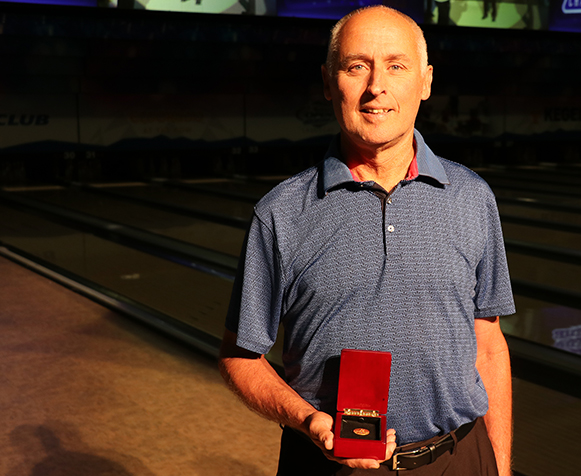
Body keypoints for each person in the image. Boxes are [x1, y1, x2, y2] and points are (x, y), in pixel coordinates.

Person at [219, 6, 515, 476]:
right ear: (327, 81)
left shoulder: (472, 197)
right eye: (357, 66)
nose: (377, 86)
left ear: (425, 81)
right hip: (328, 464)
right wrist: (308, 420)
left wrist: (497, 465)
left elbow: (489, 346)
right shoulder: (281, 213)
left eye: (397, 66)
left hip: (459, 458)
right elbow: (240, 357)